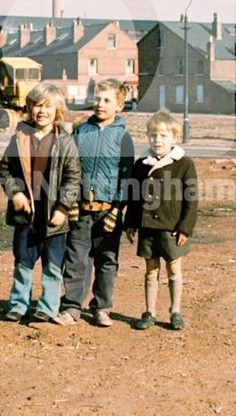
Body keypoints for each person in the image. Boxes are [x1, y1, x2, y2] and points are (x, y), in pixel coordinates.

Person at [0, 82, 81, 324]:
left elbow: (73, 178)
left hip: (53, 215)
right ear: (29, 108)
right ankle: (18, 304)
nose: (41, 111)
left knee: (53, 264)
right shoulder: (20, 138)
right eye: (36, 105)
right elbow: (5, 169)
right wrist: (16, 193)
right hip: (26, 215)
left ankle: (47, 307)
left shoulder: (65, 142)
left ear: (58, 111)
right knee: (23, 260)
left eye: (48, 107)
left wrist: (63, 208)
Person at [57, 79, 135, 327]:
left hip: (108, 212)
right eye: (97, 99)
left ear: (119, 106)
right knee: (76, 258)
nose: (100, 104)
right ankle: (71, 306)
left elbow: (127, 175)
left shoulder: (123, 137)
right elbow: (70, 168)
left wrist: (117, 208)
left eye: (107, 100)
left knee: (107, 259)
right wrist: (69, 201)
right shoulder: (81, 132)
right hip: (80, 209)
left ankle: (101, 307)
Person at [124, 109, 198, 331]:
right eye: (153, 135)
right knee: (151, 269)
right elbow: (134, 197)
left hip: (172, 228)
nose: (158, 140)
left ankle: (175, 311)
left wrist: (185, 227)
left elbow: (191, 200)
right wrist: (130, 224)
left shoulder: (184, 164)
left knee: (173, 269)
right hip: (148, 227)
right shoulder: (141, 165)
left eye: (164, 136)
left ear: (174, 138)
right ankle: (150, 312)